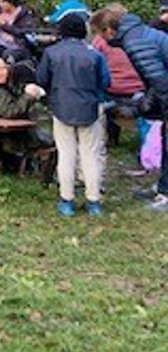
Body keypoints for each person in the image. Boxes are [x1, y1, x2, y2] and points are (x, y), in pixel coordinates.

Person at [92, 4, 168, 210]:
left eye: (100, 33)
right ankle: (163, 188)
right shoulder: (138, 33)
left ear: (109, 30)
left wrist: (141, 107)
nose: (102, 39)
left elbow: (161, 83)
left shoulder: (135, 43)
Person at [37, 14, 110, 216]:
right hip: (90, 108)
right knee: (91, 155)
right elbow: (105, 81)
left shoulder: (51, 53)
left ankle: (66, 200)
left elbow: (42, 78)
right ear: (83, 31)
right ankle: (94, 201)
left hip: (61, 108)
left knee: (66, 155)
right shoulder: (95, 54)